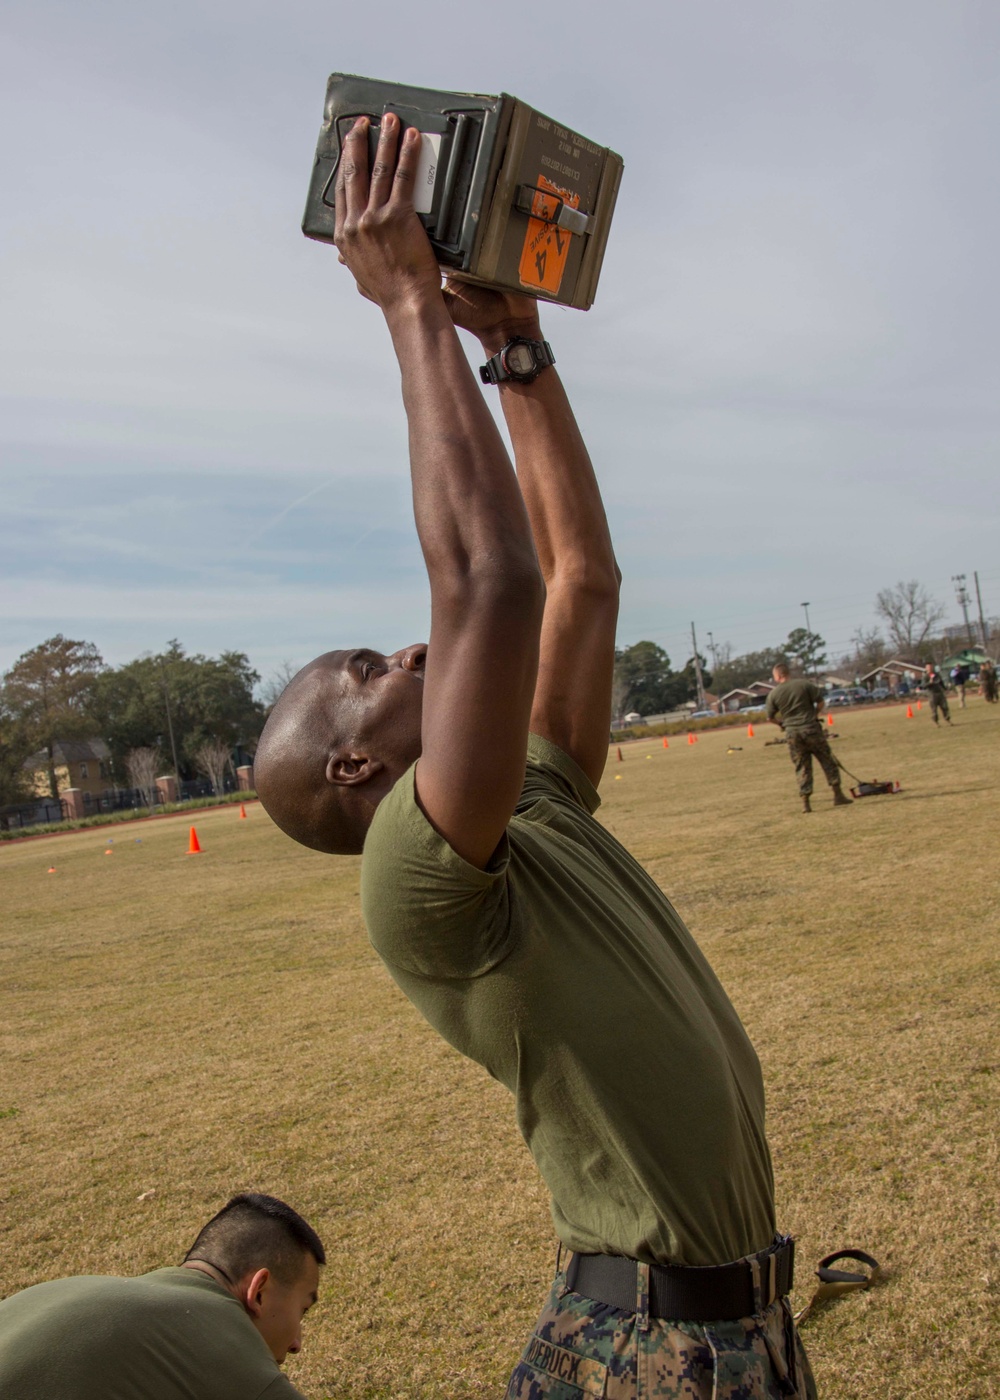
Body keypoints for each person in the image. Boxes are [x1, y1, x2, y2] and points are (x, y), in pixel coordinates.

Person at [254, 115, 815, 1399]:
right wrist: (404, 303)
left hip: (723, 1332)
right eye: (365, 673)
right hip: (646, 1351)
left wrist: (517, 348)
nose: (402, 650)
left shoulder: (528, 801)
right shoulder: (416, 871)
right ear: (355, 773)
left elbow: (580, 580)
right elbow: (493, 583)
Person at [0, 1193, 323, 1399]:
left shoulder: (63, 1289)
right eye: (303, 1310)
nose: (296, 1343)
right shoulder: (222, 1344)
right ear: (259, 1292)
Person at [764, 663, 853, 813]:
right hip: (811, 729)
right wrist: (814, 715)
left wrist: (782, 724)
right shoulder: (804, 684)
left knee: (802, 766)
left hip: (793, 734)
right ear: (787, 673)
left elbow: (769, 718)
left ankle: (806, 803)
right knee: (827, 760)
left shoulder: (773, 694)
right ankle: (838, 795)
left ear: (778, 676)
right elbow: (821, 702)